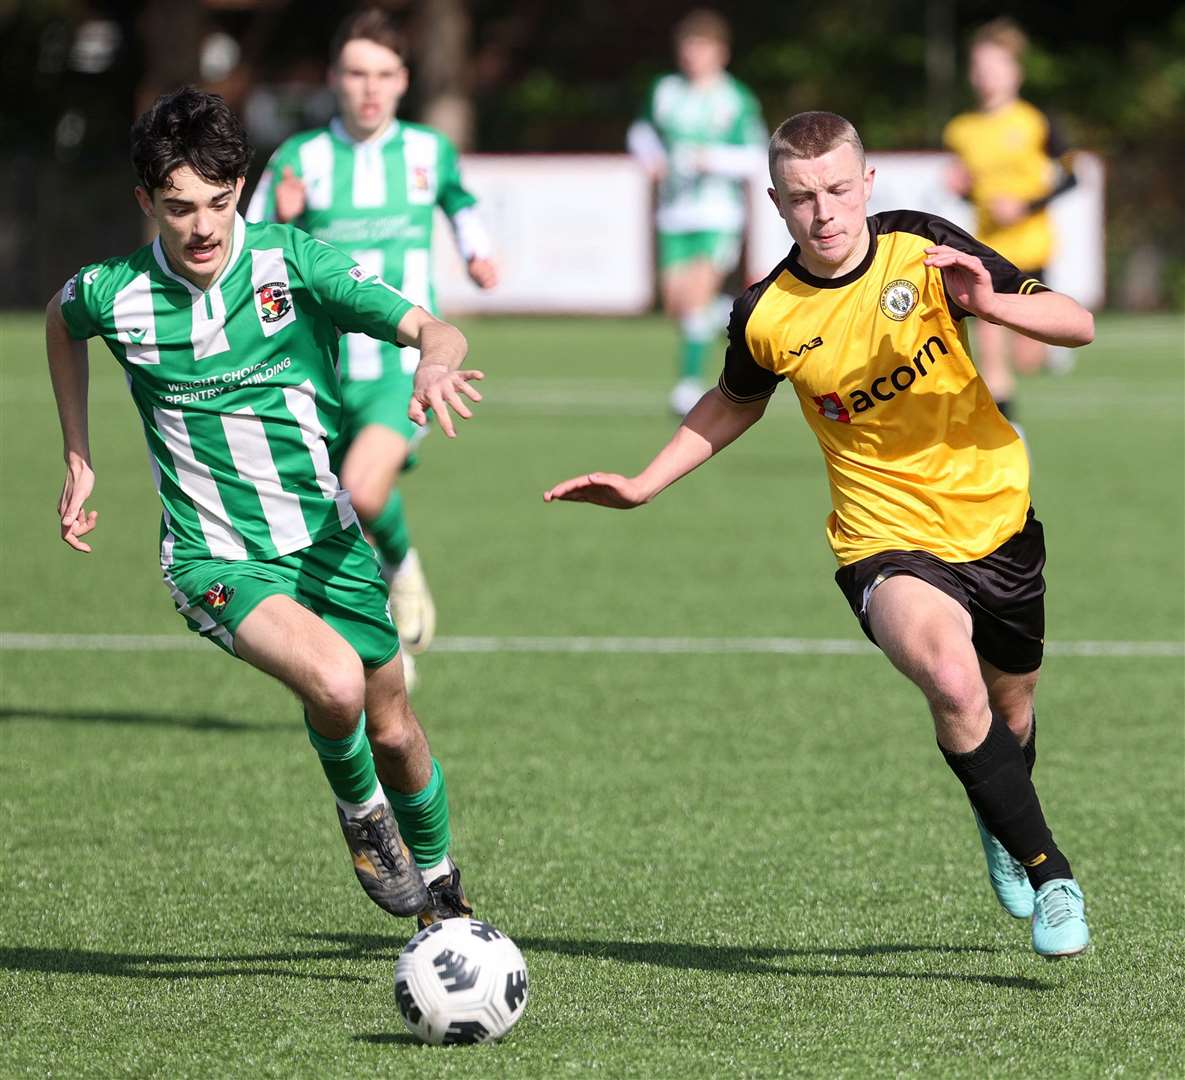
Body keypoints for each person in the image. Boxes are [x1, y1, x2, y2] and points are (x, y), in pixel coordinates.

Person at [546, 111, 1094, 958]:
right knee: (952, 681)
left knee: (1009, 709)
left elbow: (1075, 322)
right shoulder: (766, 313)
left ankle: (999, 806)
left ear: (867, 186)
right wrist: (643, 483)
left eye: (839, 190)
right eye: (802, 198)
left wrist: (990, 304)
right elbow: (732, 401)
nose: (824, 213)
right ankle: (1051, 871)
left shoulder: (923, 247)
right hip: (883, 539)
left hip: (997, 520)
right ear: (775, 202)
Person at [47, 86, 482, 930]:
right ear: (147, 203)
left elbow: (434, 328)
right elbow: (60, 324)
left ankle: (442, 887)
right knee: (335, 681)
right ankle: (363, 820)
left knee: (393, 726)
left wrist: (433, 361)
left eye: (217, 201)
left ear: (239, 187)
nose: (201, 226)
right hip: (215, 558)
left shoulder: (293, 264)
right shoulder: (115, 293)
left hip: (325, 538)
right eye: (178, 208)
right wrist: (78, 453)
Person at [246, 9, 498, 686]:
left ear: (402, 81)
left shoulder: (425, 150)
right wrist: (283, 218)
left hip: (398, 366)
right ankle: (376, 638)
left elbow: (458, 199)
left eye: (383, 75)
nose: (369, 88)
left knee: (360, 487)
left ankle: (403, 567)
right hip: (315, 372)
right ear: (334, 79)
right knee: (331, 511)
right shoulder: (300, 159)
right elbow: (248, 251)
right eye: (356, 73)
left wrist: (477, 251)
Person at [626, 8, 766, 417]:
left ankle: (687, 386)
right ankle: (747, 320)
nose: (693, 56)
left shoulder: (733, 99)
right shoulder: (666, 91)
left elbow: (755, 157)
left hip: (717, 213)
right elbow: (640, 132)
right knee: (677, 302)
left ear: (720, 53)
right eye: (687, 47)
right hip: (674, 213)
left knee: (694, 300)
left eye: (701, 47)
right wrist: (650, 158)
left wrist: (712, 159)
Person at [943, 17, 1080, 420]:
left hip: (1032, 247)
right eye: (979, 67)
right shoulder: (961, 130)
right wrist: (962, 187)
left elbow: (1072, 176)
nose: (986, 75)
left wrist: (1025, 206)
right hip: (985, 249)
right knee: (989, 348)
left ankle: (1047, 351)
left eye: (996, 66)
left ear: (1015, 72)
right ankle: (1012, 433)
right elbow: (972, 186)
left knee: (1028, 357)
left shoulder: (1036, 121)